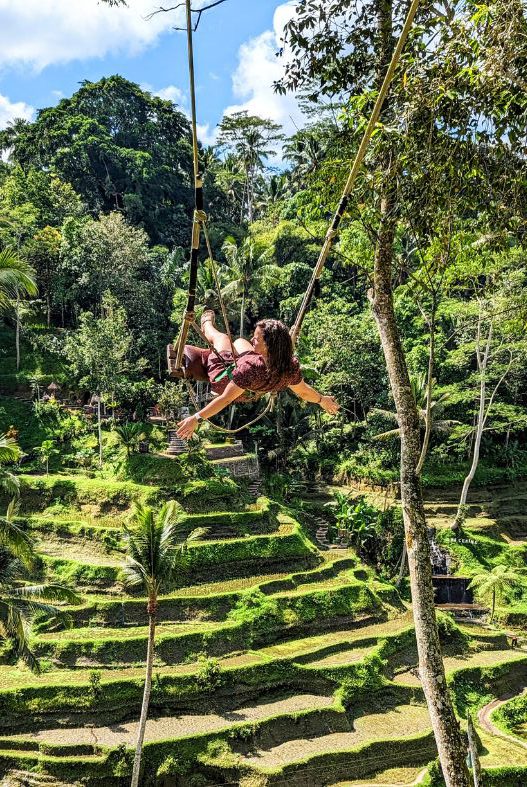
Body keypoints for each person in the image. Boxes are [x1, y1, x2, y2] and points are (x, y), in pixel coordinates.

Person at [176, 310, 340, 439]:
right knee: (240, 342)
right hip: (252, 388)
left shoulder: (250, 368)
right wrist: (321, 399)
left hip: (225, 379)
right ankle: (220, 336)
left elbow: (225, 398)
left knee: (222, 338)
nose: (253, 340)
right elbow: (303, 391)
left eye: (256, 339)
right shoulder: (289, 365)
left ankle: (206, 325)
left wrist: (196, 418)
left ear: (268, 346)